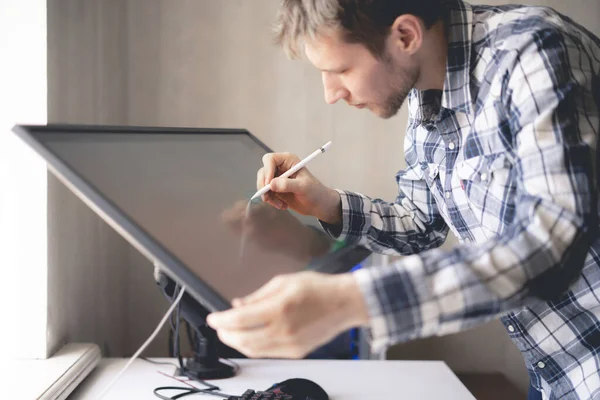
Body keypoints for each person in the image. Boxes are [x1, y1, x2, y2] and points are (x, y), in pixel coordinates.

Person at [206, 0, 600, 398]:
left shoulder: (533, 52)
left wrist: (350, 302)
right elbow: (421, 226)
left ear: (406, 36)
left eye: (340, 70)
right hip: (552, 375)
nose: (331, 93)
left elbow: (552, 244)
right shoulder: (425, 86)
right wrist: (326, 204)